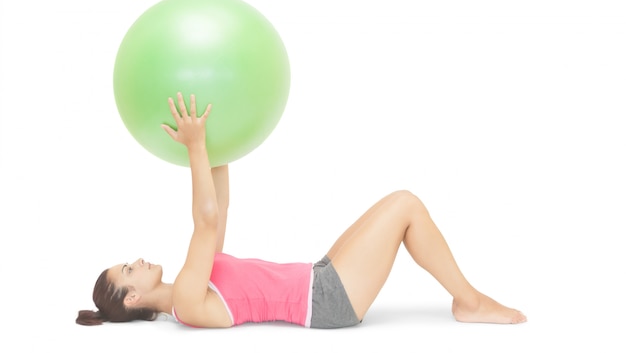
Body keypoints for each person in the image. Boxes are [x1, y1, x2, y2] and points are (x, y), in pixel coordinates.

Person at [76, 92, 527, 328]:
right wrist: (195, 146)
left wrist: (219, 142)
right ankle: (470, 302)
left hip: (319, 277)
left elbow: (221, 205)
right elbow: (206, 219)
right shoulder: (188, 302)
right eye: (128, 270)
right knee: (405, 204)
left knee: (398, 203)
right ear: (132, 299)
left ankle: (468, 300)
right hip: (328, 303)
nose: (136, 261)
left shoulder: (193, 282)